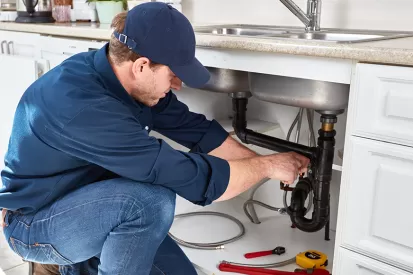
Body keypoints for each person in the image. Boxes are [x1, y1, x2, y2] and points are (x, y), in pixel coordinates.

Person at [0, 2, 309, 275]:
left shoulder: (122, 78)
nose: (177, 84)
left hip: (93, 201)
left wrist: (258, 162)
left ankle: (83, 262)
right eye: (173, 74)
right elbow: (188, 177)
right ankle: (61, 263)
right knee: (149, 202)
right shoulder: (83, 106)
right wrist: (267, 167)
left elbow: (195, 129)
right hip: (35, 223)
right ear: (142, 65)